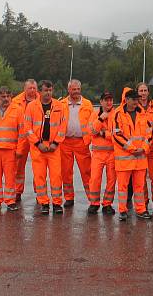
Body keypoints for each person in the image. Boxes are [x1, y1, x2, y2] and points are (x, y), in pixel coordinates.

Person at [24, 80, 68, 215]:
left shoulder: (60, 106)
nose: (48, 93)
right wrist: (38, 143)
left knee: (56, 176)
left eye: (50, 90)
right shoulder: (31, 106)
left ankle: (56, 203)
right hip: (38, 148)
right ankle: (43, 202)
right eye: (45, 90)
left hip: (54, 147)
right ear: (40, 92)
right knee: (39, 176)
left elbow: (63, 126)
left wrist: (56, 143)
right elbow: (28, 128)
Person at [113, 90, 152, 220]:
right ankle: (122, 211)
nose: (136, 102)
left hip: (140, 158)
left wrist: (144, 148)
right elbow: (117, 135)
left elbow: (149, 134)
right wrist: (132, 149)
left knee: (139, 187)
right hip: (125, 159)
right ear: (127, 100)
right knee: (123, 187)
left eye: (138, 99)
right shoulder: (118, 114)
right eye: (134, 99)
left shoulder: (143, 115)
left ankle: (141, 209)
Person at [60, 79, 94, 207]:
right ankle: (69, 198)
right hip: (65, 142)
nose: (76, 92)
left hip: (82, 142)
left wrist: (91, 139)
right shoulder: (61, 104)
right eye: (73, 89)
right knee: (66, 171)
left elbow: (93, 122)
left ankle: (93, 199)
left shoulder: (88, 104)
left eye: (78, 89)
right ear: (69, 90)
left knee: (87, 171)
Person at [86, 92, 117, 215]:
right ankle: (94, 204)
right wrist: (100, 119)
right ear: (101, 102)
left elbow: (117, 134)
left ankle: (107, 204)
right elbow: (91, 131)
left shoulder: (117, 115)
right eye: (106, 100)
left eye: (110, 100)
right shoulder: (94, 114)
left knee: (111, 180)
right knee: (94, 179)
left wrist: (104, 133)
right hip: (98, 154)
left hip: (112, 153)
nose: (109, 102)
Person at [136, 83, 153, 211]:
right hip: (140, 149)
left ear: (148, 92)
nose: (143, 93)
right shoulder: (134, 107)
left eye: (145, 90)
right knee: (141, 179)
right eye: (140, 91)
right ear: (137, 92)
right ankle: (143, 202)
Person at [12, 79, 38, 202]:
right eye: (30, 88)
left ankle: (40, 192)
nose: (32, 91)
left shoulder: (42, 100)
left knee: (39, 166)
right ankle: (17, 191)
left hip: (36, 138)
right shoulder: (15, 101)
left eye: (34, 88)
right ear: (24, 89)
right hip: (21, 139)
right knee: (18, 167)